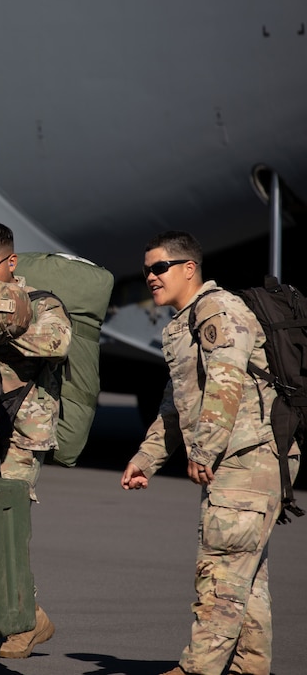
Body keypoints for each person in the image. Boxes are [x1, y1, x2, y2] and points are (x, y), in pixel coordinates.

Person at [120, 230, 299, 675]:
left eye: (159, 268)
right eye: (146, 270)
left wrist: (204, 447)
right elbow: (176, 402)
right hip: (238, 459)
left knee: (220, 572)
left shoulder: (218, 311)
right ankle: (249, 668)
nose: (150, 277)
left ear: (188, 269)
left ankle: (197, 669)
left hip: (249, 457)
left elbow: (226, 382)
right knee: (246, 577)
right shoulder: (185, 323)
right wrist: (146, 458)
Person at [0, 221, 71, 663]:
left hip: (22, 434)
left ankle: (24, 621)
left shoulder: (39, 302)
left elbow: (57, 341)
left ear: (11, 262)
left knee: (4, 531)